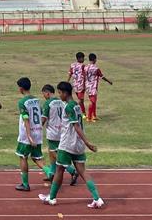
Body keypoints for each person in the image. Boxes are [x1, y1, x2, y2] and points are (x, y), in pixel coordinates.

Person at [39, 81, 104, 209]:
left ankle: (52, 198)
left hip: (68, 144)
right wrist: (84, 143)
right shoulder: (76, 106)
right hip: (78, 145)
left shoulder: (68, 107)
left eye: (60, 93)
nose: (59, 95)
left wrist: (88, 142)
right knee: (83, 171)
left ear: (65, 93)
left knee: (59, 169)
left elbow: (76, 126)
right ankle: (97, 198)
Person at [40, 84, 77, 186]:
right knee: (51, 152)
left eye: (44, 94)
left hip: (52, 132)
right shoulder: (62, 102)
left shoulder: (48, 103)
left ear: (47, 93)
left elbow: (43, 119)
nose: (44, 96)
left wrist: (38, 129)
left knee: (54, 153)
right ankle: (52, 173)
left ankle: (71, 170)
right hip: (62, 131)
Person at [14, 77, 45, 192]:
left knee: (23, 156)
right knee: (36, 157)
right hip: (38, 131)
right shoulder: (36, 100)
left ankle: (25, 184)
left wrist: (29, 136)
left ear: (21, 88)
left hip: (27, 135)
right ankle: (50, 172)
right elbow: (41, 114)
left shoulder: (22, 102)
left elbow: (26, 119)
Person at [84, 53, 113, 122]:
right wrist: (109, 81)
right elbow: (102, 76)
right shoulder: (96, 68)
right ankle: (89, 117)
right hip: (93, 87)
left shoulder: (85, 67)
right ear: (94, 59)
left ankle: (94, 116)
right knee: (92, 101)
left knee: (94, 101)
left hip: (88, 86)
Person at [68, 52, 87, 117]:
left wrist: (67, 81)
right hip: (81, 85)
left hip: (75, 85)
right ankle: (73, 109)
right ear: (79, 58)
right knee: (80, 100)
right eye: (83, 58)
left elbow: (70, 73)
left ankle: (84, 114)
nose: (83, 59)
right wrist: (85, 85)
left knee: (81, 100)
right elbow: (85, 76)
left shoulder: (72, 65)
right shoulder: (83, 66)